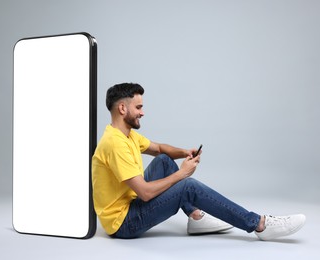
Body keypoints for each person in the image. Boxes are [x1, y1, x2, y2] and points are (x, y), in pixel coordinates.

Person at [92, 83, 306, 240]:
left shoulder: (126, 135)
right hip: (124, 223)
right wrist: (182, 173)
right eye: (138, 107)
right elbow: (145, 193)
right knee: (188, 186)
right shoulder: (115, 144)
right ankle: (259, 224)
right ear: (122, 108)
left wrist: (184, 152)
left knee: (165, 160)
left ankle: (195, 217)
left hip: (130, 205)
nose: (143, 112)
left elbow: (158, 149)